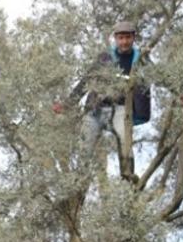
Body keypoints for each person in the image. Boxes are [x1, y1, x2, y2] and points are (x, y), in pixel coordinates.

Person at [56, 21, 151, 181]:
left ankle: (128, 178)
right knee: (85, 148)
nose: (124, 42)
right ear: (115, 38)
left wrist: (182, 94)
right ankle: (77, 184)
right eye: (121, 38)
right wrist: (68, 103)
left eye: (128, 37)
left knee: (125, 139)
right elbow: (86, 81)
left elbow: (161, 75)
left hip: (120, 109)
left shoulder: (140, 59)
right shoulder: (105, 57)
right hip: (96, 110)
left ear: (133, 38)